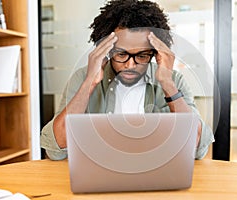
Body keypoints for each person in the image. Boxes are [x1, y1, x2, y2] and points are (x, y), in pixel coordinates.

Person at [40, 0, 214, 160]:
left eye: (142, 55)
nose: (130, 65)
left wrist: (168, 84)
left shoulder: (174, 80)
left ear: (155, 53)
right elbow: (55, 149)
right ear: (107, 50)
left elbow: (198, 149)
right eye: (121, 54)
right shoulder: (83, 78)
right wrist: (90, 83)